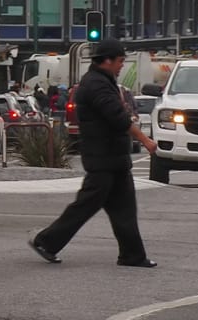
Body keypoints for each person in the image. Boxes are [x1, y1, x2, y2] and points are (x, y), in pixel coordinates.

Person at [30, 39, 159, 267]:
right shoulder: (96, 84)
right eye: (120, 61)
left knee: (125, 209)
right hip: (103, 158)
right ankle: (46, 241)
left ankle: (132, 255)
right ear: (107, 61)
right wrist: (145, 140)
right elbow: (117, 118)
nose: (122, 66)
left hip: (114, 158)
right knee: (86, 205)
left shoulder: (103, 81)